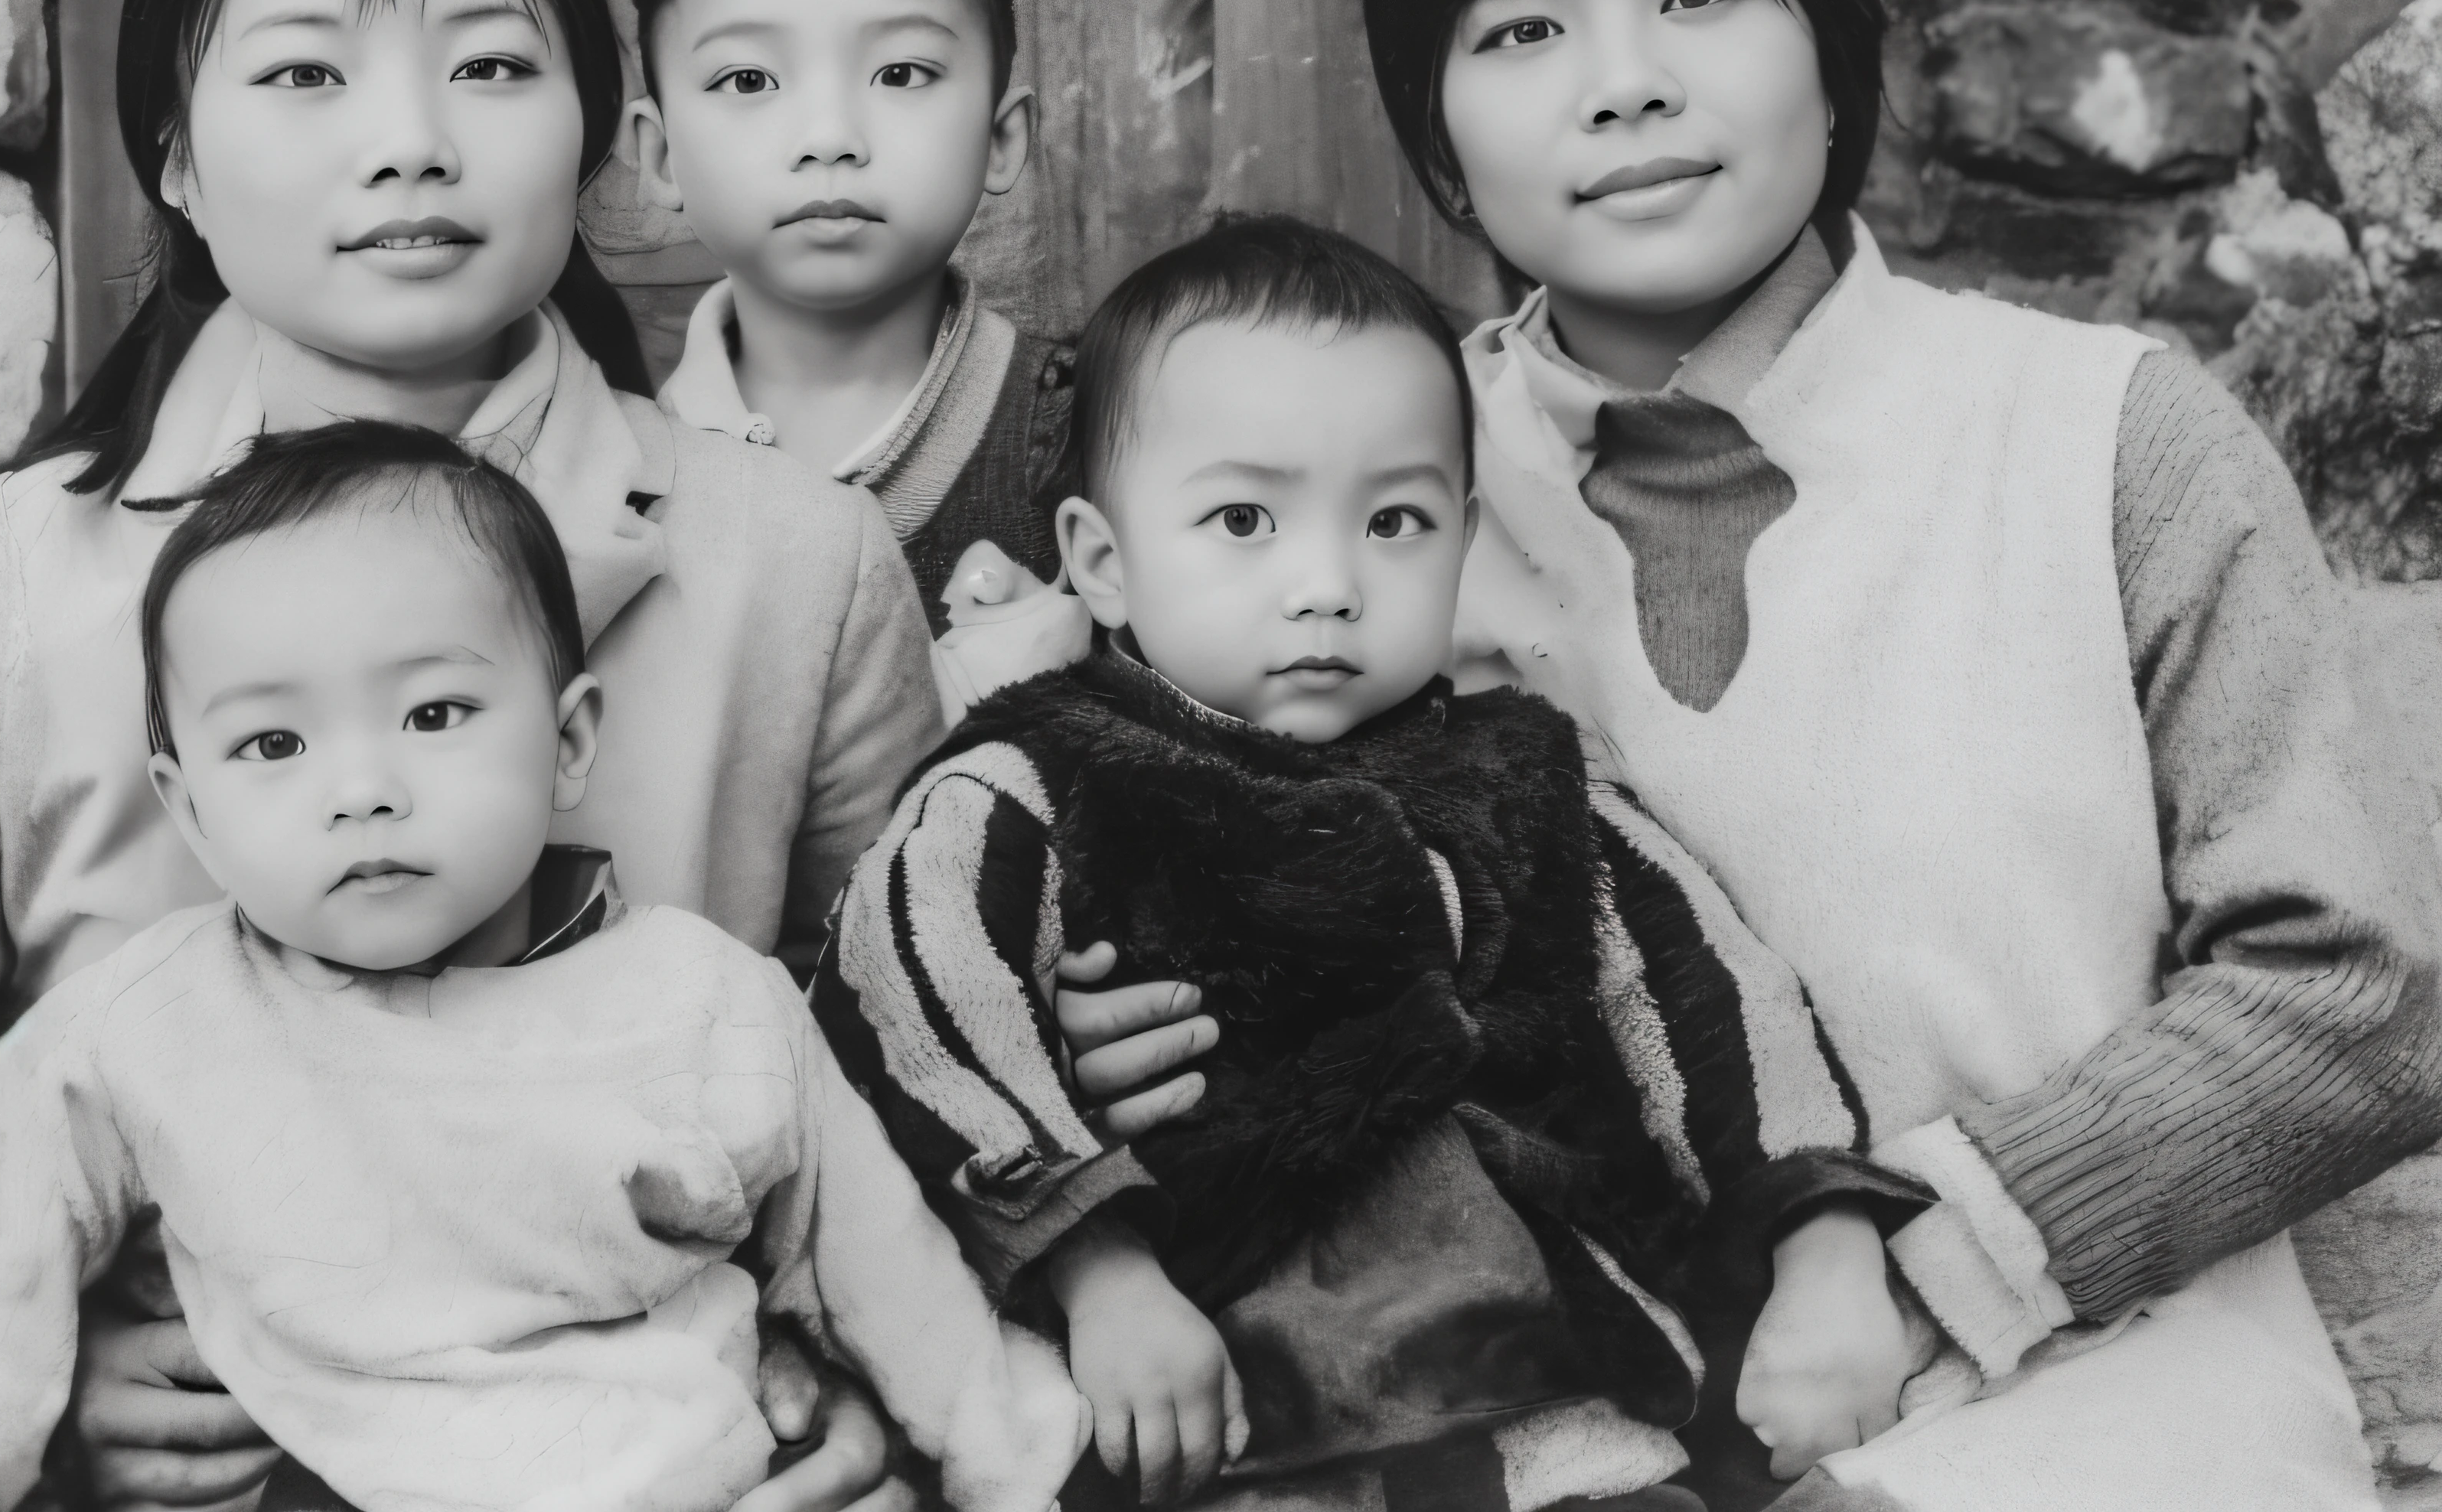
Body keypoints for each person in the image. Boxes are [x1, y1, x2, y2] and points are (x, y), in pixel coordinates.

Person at [0, 0, 946, 1512]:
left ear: (596, 136)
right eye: (305, 78)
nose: (409, 145)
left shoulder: (796, 564)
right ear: (174, 160)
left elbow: (900, 1090)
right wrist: (25, 1382)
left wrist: (847, 1390)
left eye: (489, 69)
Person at [1360, 0, 2442, 1510]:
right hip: (1554, 1432)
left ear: (1832, 40)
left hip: (2095, 1391)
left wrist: (1938, 1247)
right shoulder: (1352, 502)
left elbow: (2355, 987)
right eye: (1521, 27)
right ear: (1435, 128)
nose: (1621, 81)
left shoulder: (2102, 437)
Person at [0, 422, 1084, 1512]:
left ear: (568, 744)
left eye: (435, 713)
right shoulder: (144, 1030)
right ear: (188, 803)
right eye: (274, 746)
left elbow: (878, 1269)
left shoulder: (705, 1002)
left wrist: (1012, 1453)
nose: (363, 788)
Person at [813, 217, 1930, 1512]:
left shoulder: (1525, 776)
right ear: (1102, 561)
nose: (1329, 582)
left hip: (1547, 1405)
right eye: (1243, 517)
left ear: (1461, 537)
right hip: (1212, 1399)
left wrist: (1825, 1238)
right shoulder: (1041, 779)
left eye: (1394, 519)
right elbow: (906, 986)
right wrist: (1100, 1268)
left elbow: (1704, 1002)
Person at [621, 0, 1088, 715]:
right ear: (659, 156)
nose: (829, 136)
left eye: (901, 73)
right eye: (748, 80)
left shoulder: (1088, 429)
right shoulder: (614, 478)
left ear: (1001, 138)